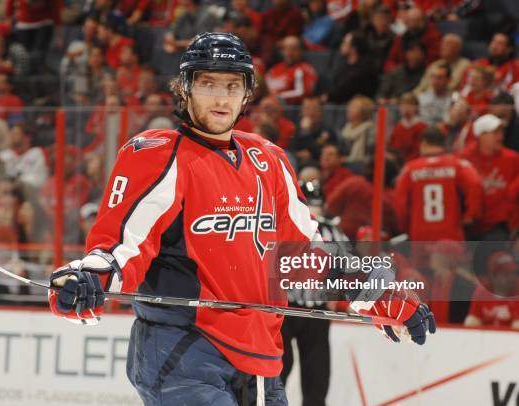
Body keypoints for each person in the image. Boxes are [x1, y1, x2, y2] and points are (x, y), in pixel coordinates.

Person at [46, 32, 435, 405]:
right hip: (182, 350)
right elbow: (121, 245)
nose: (221, 97)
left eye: (233, 86)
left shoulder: (269, 159)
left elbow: (307, 254)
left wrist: (377, 293)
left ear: (247, 93)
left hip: (262, 356)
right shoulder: (157, 154)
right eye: (208, 83)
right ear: (184, 88)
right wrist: (89, 278)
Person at [281, 179, 347, 406]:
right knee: (290, 370)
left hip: (296, 308)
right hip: (292, 308)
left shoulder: (288, 225)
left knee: (312, 374)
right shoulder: (331, 230)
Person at [394, 127, 483, 242]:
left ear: (423, 143)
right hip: (450, 233)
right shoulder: (458, 165)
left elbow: (400, 204)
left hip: (420, 234)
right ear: (443, 144)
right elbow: (475, 184)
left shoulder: (409, 169)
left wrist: (405, 226)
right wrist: (470, 215)